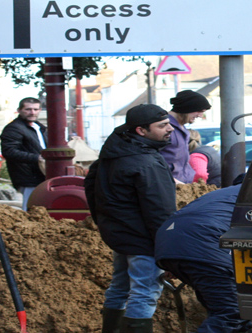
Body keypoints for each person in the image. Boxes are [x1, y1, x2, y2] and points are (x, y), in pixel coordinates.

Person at [84, 104, 177, 333]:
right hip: (143, 240)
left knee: (120, 288)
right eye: (162, 125)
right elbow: (160, 211)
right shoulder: (146, 162)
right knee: (144, 292)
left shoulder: (112, 153)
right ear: (141, 131)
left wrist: (105, 224)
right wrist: (168, 250)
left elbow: (91, 188)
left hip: (119, 236)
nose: (170, 129)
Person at [155, 184, 252, 333]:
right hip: (203, 242)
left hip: (170, 240)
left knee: (229, 317)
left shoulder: (235, 190)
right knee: (232, 313)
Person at [0, 97, 47, 210]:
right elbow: (9, 151)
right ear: (19, 110)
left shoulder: (39, 127)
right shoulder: (13, 128)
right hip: (28, 177)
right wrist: (37, 158)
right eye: (28, 109)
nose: (32, 112)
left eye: (35, 109)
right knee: (30, 208)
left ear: (40, 110)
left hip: (39, 175)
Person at [162, 90, 210, 184]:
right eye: (199, 111)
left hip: (184, 184)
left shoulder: (183, 128)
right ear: (187, 108)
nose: (200, 115)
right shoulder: (164, 127)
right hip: (170, 185)